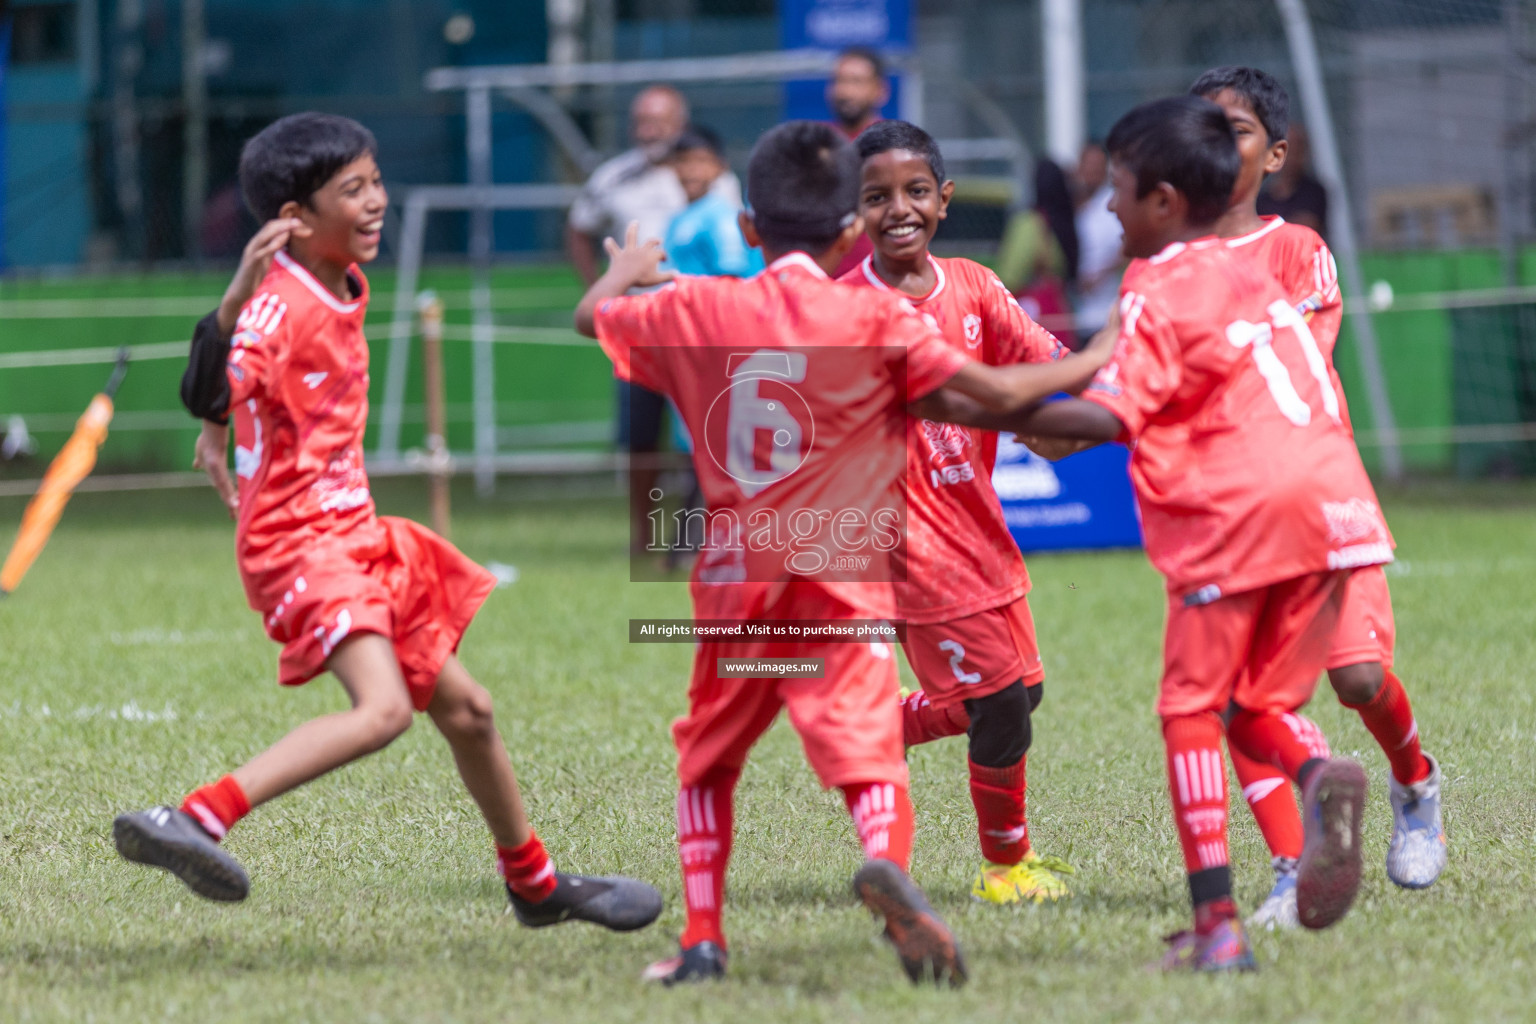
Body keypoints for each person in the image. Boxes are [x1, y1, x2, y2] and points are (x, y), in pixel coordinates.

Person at [572, 122, 1112, 986]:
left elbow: (593, 318)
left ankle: (703, 943)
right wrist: (1114, 356)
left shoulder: (704, 305)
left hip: (736, 573)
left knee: (708, 763)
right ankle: (889, 863)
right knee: (871, 760)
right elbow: (1002, 394)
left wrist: (624, 274)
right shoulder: (872, 316)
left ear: (751, 228)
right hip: (848, 570)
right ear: (849, 227)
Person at [116, 113, 664, 936]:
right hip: (301, 544)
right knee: (383, 712)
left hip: (359, 534)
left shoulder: (335, 277)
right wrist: (225, 353)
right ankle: (194, 817)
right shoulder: (278, 306)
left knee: (469, 710)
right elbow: (214, 382)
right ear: (293, 219)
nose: (377, 202)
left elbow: (233, 398)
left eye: (375, 182)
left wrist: (221, 433)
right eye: (354, 191)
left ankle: (536, 883)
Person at [921, 96, 1394, 971]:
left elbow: (1109, 413)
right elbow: (1112, 376)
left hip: (1243, 514)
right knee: (1254, 709)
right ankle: (1321, 775)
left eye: (1123, 192)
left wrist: (981, 403)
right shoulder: (1254, 269)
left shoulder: (1156, 281)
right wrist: (1011, 404)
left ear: (1165, 203)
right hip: (1341, 510)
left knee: (1188, 711)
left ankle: (1216, 928)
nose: (1107, 208)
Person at [1190, 65, 1445, 929]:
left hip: (1313, 493)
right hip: (1225, 513)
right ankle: (1292, 867)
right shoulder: (1164, 266)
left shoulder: (1295, 247)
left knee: (1359, 678)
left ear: (1277, 153)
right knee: (1238, 699)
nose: (1219, 147)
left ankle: (1416, 784)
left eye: (1238, 131)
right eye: (1204, 130)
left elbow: (1281, 364)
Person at [840, 121, 1092, 906]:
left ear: (943, 201)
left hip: (982, 533)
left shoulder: (977, 287)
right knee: (1002, 708)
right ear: (855, 215)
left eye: (915, 192)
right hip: (912, 550)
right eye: (877, 197)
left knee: (1021, 697)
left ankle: (879, 725)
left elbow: (1046, 368)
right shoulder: (842, 310)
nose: (899, 210)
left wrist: (1071, 420)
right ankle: (1005, 869)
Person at [565, 85, 741, 553]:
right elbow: (579, 231)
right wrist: (607, 286)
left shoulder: (717, 203)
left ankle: (698, 537)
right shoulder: (616, 178)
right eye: (642, 121)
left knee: (704, 434)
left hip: (699, 335)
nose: (651, 131)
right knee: (644, 435)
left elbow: (731, 268)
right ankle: (650, 537)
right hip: (645, 327)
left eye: (660, 121)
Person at [994, 159, 1080, 346]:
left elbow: (1012, 276)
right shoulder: (1070, 223)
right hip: (1061, 313)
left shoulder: (1030, 223)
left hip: (1034, 322)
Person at [663, 126, 764, 279]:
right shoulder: (678, 217)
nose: (691, 169)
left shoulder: (723, 218)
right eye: (683, 160)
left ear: (720, 167)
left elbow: (730, 278)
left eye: (701, 161)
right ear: (672, 166)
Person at [826, 47, 889, 278]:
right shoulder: (819, 143)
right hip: (826, 281)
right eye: (839, 81)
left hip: (879, 278)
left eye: (856, 81)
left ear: (880, 90)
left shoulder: (894, 145)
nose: (845, 92)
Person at [1071, 140, 1124, 336]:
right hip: (1073, 311)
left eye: (1097, 166)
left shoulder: (1113, 204)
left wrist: (1100, 276)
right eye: (1087, 165)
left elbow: (1127, 246)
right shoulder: (1070, 204)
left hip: (1104, 310)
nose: (1091, 171)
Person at [1257, 121, 1328, 238]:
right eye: (1288, 151)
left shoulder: (1314, 193)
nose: (1293, 156)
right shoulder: (1262, 199)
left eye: (1298, 149)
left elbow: (1306, 228)